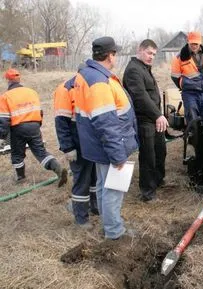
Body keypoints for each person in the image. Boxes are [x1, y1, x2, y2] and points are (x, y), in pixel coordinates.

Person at [73, 36, 139, 240]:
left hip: (96, 145)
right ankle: (114, 232)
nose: (116, 57)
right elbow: (106, 123)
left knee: (103, 186)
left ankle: (108, 224)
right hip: (109, 146)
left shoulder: (88, 75)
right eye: (115, 53)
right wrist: (118, 155)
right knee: (113, 189)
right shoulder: (99, 82)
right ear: (110, 55)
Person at [0, 68, 67, 187]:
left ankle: (21, 178)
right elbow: (40, 112)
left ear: (8, 80)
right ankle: (57, 168)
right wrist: (37, 126)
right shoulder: (32, 92)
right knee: (41, 152)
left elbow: (4, 120)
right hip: (34, 126)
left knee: (17, 155)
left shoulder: (5, 97)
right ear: (19, 79)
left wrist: (2, 136)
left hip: (17, 129)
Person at [123, 39, 168, 202]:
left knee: (160, 150)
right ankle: (147, 193)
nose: (151, 57)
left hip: (154, 118)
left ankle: (158, 180)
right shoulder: (133, 70)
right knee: (148, 156)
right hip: (144, 120)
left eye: (154, 54)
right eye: (149, 53)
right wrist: (157, 115)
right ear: (140, 50)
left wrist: (157, 116)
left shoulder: (144, 68)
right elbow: (141, 97)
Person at [54, 75, 99, 229]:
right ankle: (81, 218)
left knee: (94, 177)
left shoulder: (91, 86)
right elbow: (61, 122)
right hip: (77, 145)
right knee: (81, 181)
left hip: (92, 143)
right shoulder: (65, 90)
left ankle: (95, 207)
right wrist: (68, 148)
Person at [171, 31, 203, 126]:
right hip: (189, 93)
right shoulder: (179, 57)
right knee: (191, 114)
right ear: (188, 42)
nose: (194, 45)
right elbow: (175, 76)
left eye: (196, 43)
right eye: (192, 43)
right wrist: (186, 85)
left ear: (200, 43)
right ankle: (194, 137)